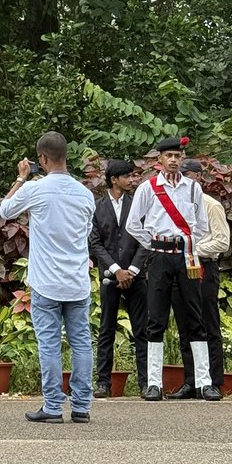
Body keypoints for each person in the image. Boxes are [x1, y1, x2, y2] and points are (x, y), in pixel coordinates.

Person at [0, 131, 96, 424]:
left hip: (46, 281)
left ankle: (53, 407)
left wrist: (21, 178)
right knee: (81, 342)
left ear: (41, 158)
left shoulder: (36, 189)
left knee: (50, 343)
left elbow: (5, 210)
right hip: (77, 279)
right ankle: (81, 406)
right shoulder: (85, 194)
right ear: (66, 156)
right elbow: (87, 231)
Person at [124, 136, 221, 401]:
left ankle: (204, 382)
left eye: (178, 156)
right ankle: (154, 383)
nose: (174, 160)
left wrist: (187, 243)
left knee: (194, 317)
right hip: (159, 256)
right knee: (155, 318)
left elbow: (201, 225)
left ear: (182, 158)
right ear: (160, 160)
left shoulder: (192, 189)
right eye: (169, 156)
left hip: (187, 256)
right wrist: (155, 243)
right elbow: (134, 224)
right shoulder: (148, 188)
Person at [167, 157, 230, 399]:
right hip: (178, 266)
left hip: (204, 266)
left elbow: (222, 241)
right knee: (185, 324)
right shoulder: (175, 205)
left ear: (198, 177)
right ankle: (191, 380)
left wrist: (193, 249)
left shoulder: (210, 205)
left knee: (207, 323)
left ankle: (213, 381)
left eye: (187, 175)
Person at [89, 159, 148, 396]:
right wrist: (116, 270)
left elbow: (146, 239)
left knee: (141, 330)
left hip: (136, 277)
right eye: (127, 177)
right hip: (109, 276)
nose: (131, 180)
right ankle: (103, 382)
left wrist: (132, 270)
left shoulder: (137, 205)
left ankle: (146, 383)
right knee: (106, 329)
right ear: (114, 179)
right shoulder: (97, 206)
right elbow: (94, 242)